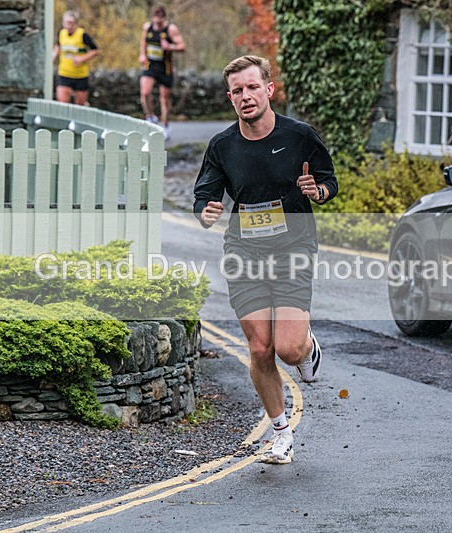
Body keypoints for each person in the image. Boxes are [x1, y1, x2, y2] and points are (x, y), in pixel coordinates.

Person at [193, 55, 337, 464]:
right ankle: (280, 435)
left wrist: (317, 191)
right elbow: (205, 194)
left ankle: (308, 350)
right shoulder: (222, 145)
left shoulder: (300, 135)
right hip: (245, 251)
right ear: (230, 98)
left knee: (287, 349)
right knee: (259, 349)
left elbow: (328, 181)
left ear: (268, 89)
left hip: (293, 249)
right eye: (237, 91)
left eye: (252, 87)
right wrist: (205, 211)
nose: (245, 96)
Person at [139, 5, 185, 140]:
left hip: (165, 68)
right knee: (145, 92)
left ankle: (165, 125)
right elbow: (143, 42)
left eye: (160, 17)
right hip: (151, 65)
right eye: (155, 17)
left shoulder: (171, 29)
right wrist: (142, 55)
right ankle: (150, 117)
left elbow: (182, 46)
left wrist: (170, 47)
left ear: (164, 17)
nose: (157, 20)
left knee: (164, 98)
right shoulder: (147, 27)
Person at [52, 10, 100, 106]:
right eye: (66, 23)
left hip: (80, 75)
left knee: (80, 105)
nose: (69, 26)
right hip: (64, 73)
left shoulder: (82, 35)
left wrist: (82, 58)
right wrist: (53, 56)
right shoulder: (61, 34)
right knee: (62, 103)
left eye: (71, 23)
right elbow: (58, 46)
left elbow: (96, 50)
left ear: (76, 24)